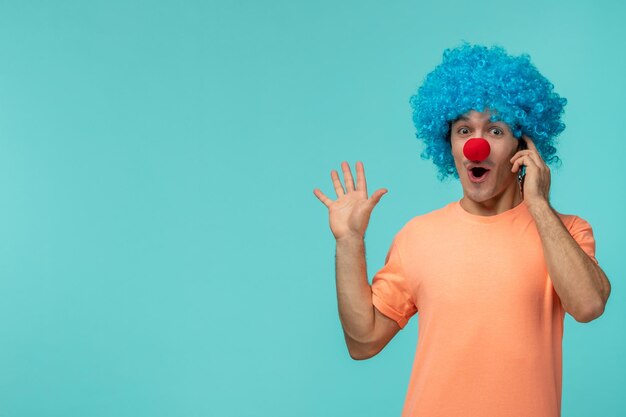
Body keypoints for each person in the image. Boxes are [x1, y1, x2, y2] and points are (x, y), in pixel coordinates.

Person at [312, 43, 611, 417]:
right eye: (464, 129)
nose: (476, 146)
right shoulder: (418, 236)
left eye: (496, 130)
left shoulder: (567, 231)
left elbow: (588, 305)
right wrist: (349, 242)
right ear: (448, 143)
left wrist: (538, 204)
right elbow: (363, 341)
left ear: (524, 146)